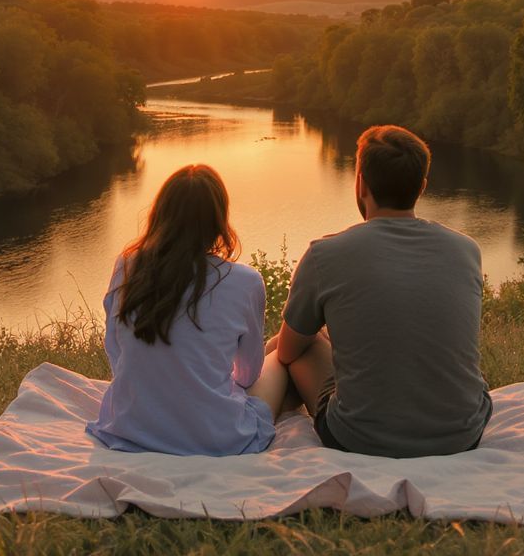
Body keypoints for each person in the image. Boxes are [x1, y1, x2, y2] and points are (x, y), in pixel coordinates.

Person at [275, 125, 492, 458]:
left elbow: (288, 351)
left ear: (361, 183)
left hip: (359, 439)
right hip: (462, 435)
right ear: (421, 187)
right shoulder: (466, 250)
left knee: (299, 345)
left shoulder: (325, 255)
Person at [87, 164, 287, 455]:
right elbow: (247, 376)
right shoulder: (245, 281)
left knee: (277, 347)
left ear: (160, 214)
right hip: (215, 438)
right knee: (281, 357)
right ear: (218, 220)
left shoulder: (128, 266)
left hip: (130, 428)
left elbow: (117, 354)